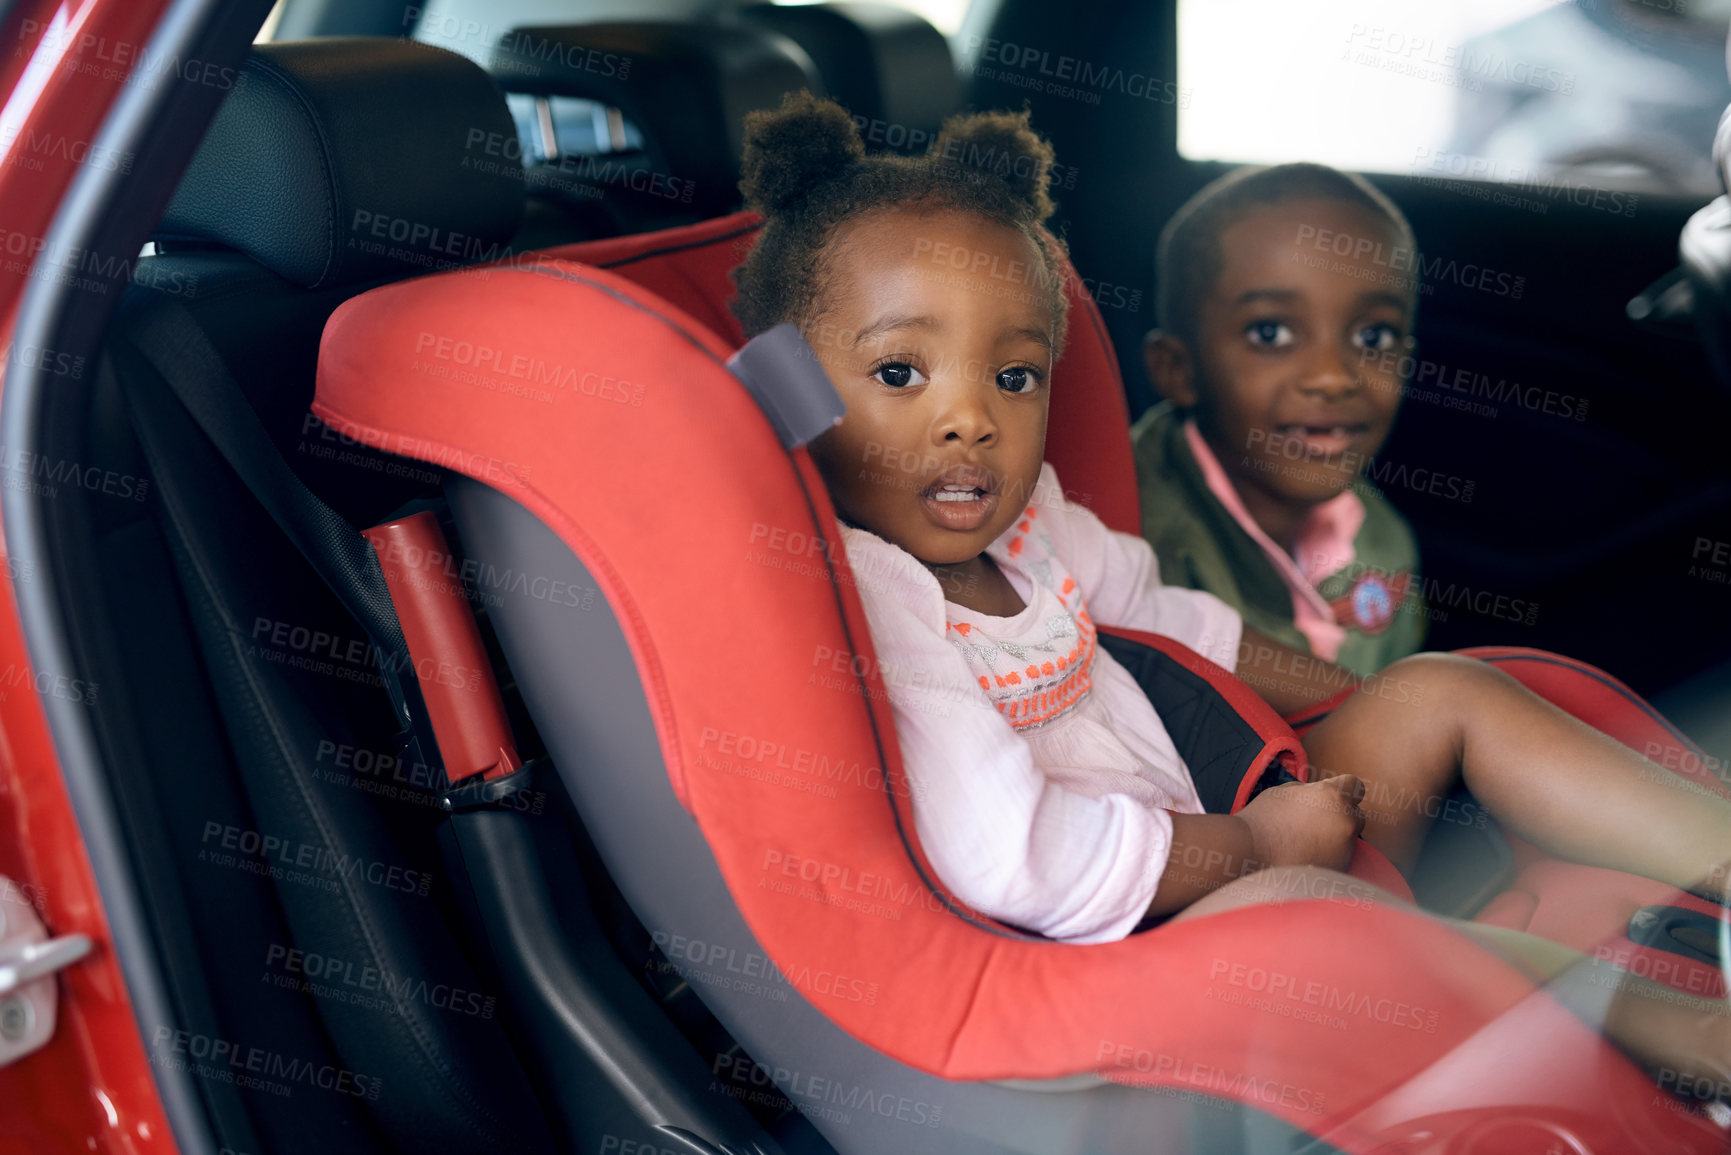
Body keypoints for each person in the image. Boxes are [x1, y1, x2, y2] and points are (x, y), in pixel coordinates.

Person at [728, 91, 1731, 1091]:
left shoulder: (1040, 532)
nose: (972, 419)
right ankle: (1671, 1027)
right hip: (1106, 958)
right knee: (1307, 902)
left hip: (1226, 832)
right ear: (797, 397)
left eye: (1015, 377)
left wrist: (1357, 710)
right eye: (902, 372)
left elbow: (1181, 628)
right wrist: (1249, 846)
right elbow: (1018, 860)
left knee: (1436, 689)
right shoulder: (878, 604)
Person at [1131, 163, 1427, 678]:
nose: (1333, 377)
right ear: (1179, 370)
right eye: (1270, 334)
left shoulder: (1380, 538)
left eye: (1373, 337)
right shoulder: (1138, 544)